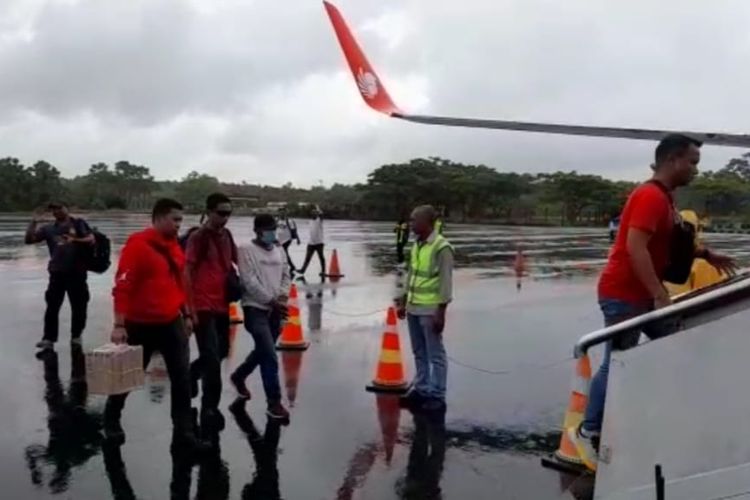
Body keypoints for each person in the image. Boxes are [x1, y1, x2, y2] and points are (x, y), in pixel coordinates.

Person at [568, 134, 736, 471]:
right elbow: (635, 248)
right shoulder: (649, 196)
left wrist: (705, 253)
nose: (695, 170)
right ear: (673, 159)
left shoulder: (665, 198)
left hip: (645, 293)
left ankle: (658, 414)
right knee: (616, 359)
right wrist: (660, 295)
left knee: (676, 344)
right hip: (625, 294)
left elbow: (666, 245)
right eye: (692, 162)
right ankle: (588, 430)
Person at [106, 198, 209, 452]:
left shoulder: (174, 245)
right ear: (159, 217)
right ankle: (111, 419)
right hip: (139, 325)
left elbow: (180, 282)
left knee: (182, 380)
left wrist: (186, 314)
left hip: (171, 323)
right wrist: (119, 324)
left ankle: (184, 433)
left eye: (180, 221)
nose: (178, 225)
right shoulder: (137, 245)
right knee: (128, 378)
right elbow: (123, 286)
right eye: (174, 220)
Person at [230, 214, 291, 420]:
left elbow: (286, 274)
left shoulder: (279, 248)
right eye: (269, 229)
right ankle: (274, 403)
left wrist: (282, 296)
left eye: (274, 229)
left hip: (276, 310)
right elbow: (248, 281)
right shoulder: (246, 249)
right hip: (255, 309)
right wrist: (270, 300)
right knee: (270, 355)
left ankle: (239, 376)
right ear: (257, 230)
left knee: (264, 351)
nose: (272, 233)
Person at [184, 193, 237, 429]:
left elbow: (237, 261)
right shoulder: (198, 238)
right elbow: (186, 272)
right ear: (209, 211)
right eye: (221, 213)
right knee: (213, 361)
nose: (225, 218)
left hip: (222, 304)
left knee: (222, 351)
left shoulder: (227, 236)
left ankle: (192, 373)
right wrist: (188, 309)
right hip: (202, 305)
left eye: (228, 213)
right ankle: (209, 407)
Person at [398, 205, 454, 412]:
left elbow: (446, 283)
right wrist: (404, 301)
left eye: (414, 220)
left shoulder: (441, 247)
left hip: (430, 310)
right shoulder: (417, 245)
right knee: (419, 351)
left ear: (426, 223)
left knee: (435, 354)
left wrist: (441, 312)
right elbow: (411, 275)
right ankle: (421, 389)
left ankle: (437, 395)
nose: (411, 224)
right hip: (414, 307)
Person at [25, 202, 95, 351]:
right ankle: (48, 338)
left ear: (66, 208)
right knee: (52, 306)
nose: (57, 211)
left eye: (59, 207)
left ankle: (76, 335)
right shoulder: (49, 229)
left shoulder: (78, 223)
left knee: (79, 306)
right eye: (53, 209)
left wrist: (74, 240)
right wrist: (33, 222)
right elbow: (29, 240)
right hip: (57, 273)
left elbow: (91, 240)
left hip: (77, 273)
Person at [298, 207, 325, 277]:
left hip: (319, 243)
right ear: (311, 214)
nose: (314, 214)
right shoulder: (310, 221)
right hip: (311, 243)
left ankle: (323, 271)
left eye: (315, 213)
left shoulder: (319, 220)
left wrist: (319, 209)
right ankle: (302, 270)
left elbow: (322, 215)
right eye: (312, 213)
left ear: (317, 214)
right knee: (307, 258)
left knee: (321, 257)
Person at [276, 206, 300, 272]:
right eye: (280, 213)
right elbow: (274, 229)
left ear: (286, 213)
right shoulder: (277, 220)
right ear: (279, 213)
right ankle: (289, 266)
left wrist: (298, 239)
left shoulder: (289, 221)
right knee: (282, 253)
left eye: (283, 213)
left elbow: (294, 230)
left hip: (287, 239)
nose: (282, 214)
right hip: (279, 239)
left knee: (284, 251)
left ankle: (291, 266)